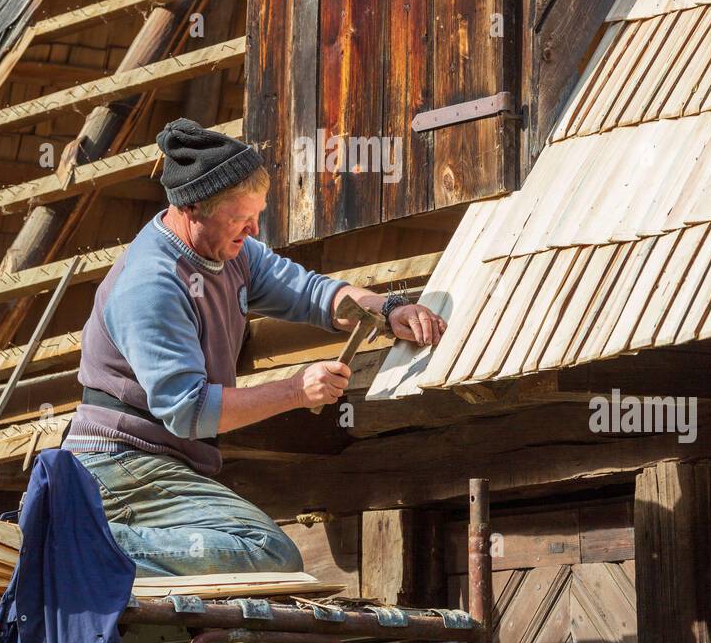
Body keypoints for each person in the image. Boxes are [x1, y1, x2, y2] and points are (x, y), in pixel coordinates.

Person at [62, 118, 446, 576]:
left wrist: (385, 309)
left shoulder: (233, 250)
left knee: (257, 561)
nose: (253, 229)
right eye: (241, 218)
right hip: (118, 464)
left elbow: (311, 294)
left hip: (163, 462)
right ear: (194, 208)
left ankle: (93, 546)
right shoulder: (151, 285)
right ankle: (76, 540)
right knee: (269, 555)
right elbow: (188, 412)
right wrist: (296, 391)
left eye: (256, 214)